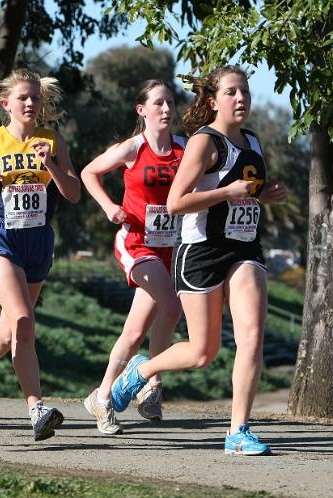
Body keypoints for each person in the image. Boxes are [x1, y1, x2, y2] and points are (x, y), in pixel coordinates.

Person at [111, 65, 288, 456]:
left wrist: (268, 193)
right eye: (231, 93)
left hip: (244, 249)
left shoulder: (254, 142)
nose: (241, 99)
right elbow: (175, 203)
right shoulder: (203, 143)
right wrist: (227, 193)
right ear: (213, 101)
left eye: (245, 91)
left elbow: (248, 191)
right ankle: (142, 369)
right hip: (201, 252)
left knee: (252, 336)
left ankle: (238, 431)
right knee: (202, 352)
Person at [0, 69, 81, 441]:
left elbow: (74, 193)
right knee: (24, 322)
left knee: (10, 327)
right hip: (0, 238)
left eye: (36, 98)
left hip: (38, 241)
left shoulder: (52, 140)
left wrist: (51, 164)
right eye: (24, 98)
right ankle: (36, 408)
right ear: (5, 104)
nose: (31, 104)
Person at [80, 80, 184, 435]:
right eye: (159, 103)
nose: (167, 109)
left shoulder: (185, 149)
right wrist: (109, 206)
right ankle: (152, 383)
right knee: (171, 307)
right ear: (142, 110)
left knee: (135, 330)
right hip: (136, 244)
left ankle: (102, 396)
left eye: (171, 102)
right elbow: (88, 172)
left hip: (171, 247)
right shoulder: (133, 149)